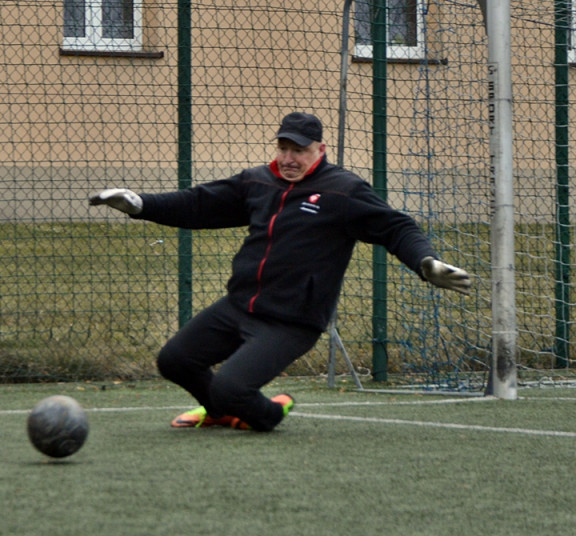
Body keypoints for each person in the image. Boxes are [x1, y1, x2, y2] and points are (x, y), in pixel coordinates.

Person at [90, 112, 471, 432]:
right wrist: (140, 205)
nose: (289, 158)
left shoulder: (344, 192)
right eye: (283, 148)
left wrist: (424, 262)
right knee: (174, 360)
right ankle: (223, 413)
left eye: (299, 151)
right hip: (240, 306)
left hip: (291, 321)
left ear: (320, 150)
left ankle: (267, 413)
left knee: (229, 388)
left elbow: (396, 227)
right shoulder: (257, 181)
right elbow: (199, 204)